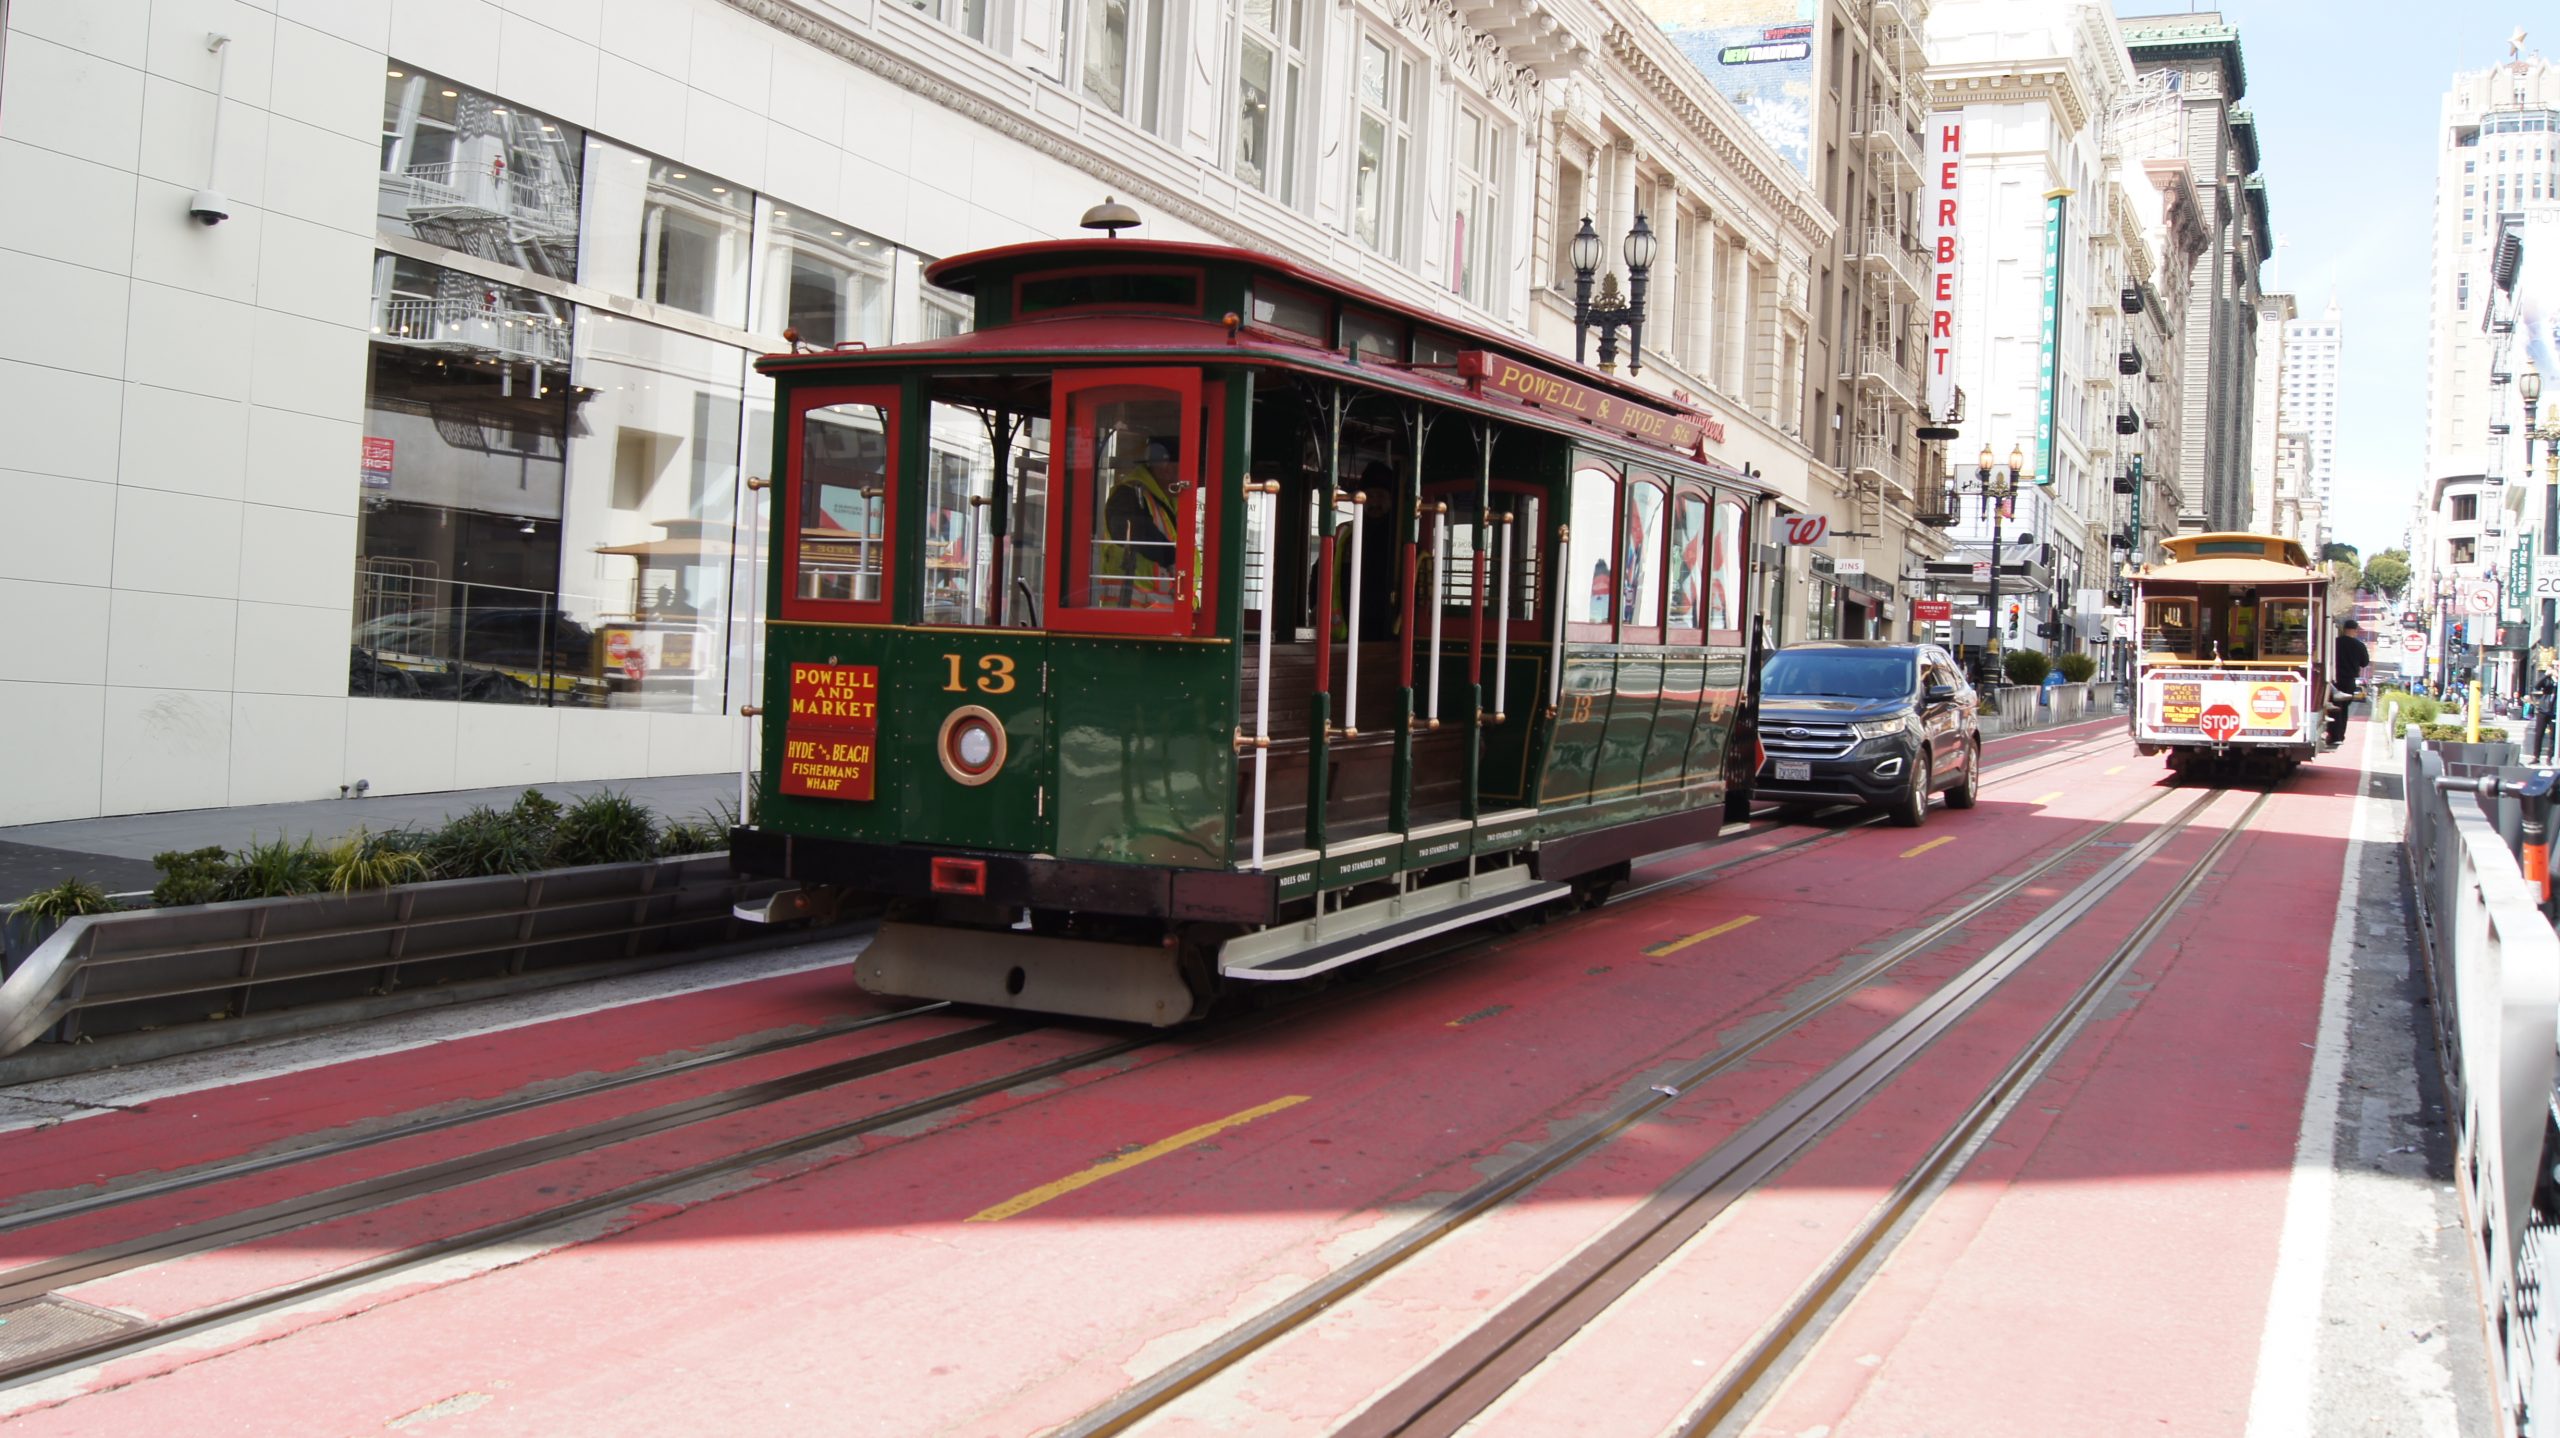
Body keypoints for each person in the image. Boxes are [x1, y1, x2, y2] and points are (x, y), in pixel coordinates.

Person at [2327, 618, 2370, 747]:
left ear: (2344, 629)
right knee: (2344, 708)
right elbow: (2364, 663)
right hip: (2349, 681)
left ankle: (2334, 735)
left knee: (2334, 707)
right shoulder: (2359, 645)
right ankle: (2340, 735)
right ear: (2355, 630)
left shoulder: (2335, 643)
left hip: (2334, 679)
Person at [2533, 665, 2558, 763]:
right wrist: (2546, 675)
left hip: (2555, 711)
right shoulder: (2548, 680)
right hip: (2543, 709)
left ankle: (2549, 757)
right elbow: (2536, 686)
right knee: (2539, 734)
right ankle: (2536, 757)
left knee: (2553, 736)